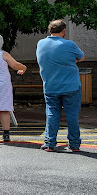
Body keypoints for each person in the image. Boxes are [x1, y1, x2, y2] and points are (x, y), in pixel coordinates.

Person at [36, 20, 85, 152]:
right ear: (63, 31)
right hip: (71, 87)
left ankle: (49, 143)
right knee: (72, 115)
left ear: (50, 31)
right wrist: (71, 61)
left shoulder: (41, 44)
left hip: (50, 86)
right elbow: (81, 57)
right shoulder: (69, 44)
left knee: (52, 114)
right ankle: (74, 145)